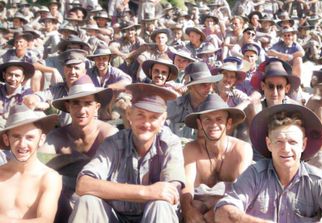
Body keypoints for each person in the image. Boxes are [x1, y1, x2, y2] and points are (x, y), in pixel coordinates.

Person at [215, 104, 322, 222]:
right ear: (268, 144)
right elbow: (223, 210)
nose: (286, 149)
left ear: (303, 144)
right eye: (279, 141)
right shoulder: (254, 174)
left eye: (292, 142)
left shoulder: (317, 180)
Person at [69, 83, 185, 223]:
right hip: (115, 217)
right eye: (140, 115)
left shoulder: (170, 144)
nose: (146, 124)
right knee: (87, 202)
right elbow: (83, 184)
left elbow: (172, 192)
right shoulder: (114, 143)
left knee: (161, 205)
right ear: (129, 114)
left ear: (163, 120)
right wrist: (146, 192)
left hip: (153, 217)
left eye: (153, 117)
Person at [40, 75, 118, 222]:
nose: (82, 110)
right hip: (62, 204)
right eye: (76, 103)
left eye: (88, 103)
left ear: (97, 107)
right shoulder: (57, 137)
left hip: (100, 204)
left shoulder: (108, 134)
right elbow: (36, 167)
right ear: (68, 107)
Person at [181, 93, 252, 223]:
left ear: (228, 123)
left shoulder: (241, 150)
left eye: (219, 119)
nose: (213, 124)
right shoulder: (191, 149)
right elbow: (187, 185)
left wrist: (212, 206)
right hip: (197, 210)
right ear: (200, 124)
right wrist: (188, 211)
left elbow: (243, 191)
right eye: (207, 119)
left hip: (228, 209)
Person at [0, 104, 61, 222]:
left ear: (41, 139)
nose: (22, 144)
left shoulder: (49, 177)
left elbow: (45, 220)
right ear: (7, 140)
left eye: (30, 137)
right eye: (16, 137)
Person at [167, 62, 223, 140]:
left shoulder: (217, 107)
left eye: (210, 84)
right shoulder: (174, 106)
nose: (209, 88)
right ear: (190, 87)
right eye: (203, 84)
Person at [0, 58, 35, 127]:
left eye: (17, 76)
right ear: (4, 75)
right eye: (10, 74)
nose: (13, 79)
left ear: (22, 78)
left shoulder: (26, 93)